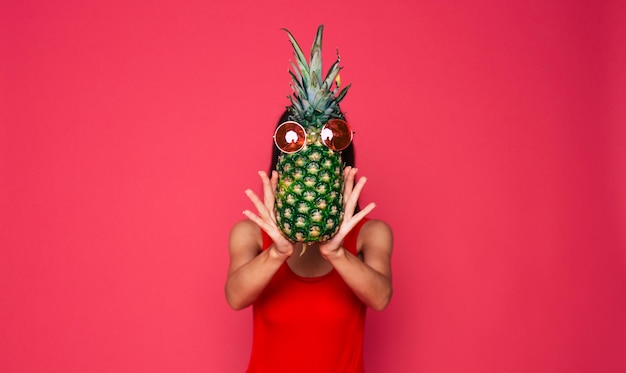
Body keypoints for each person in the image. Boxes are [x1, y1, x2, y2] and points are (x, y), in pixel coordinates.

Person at [225, 111, 393, 373]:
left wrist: (337, 253)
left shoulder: (371, 233)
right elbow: (235, 297)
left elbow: (381, 298)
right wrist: (276, 253)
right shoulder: (249, 233)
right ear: (283, 162)